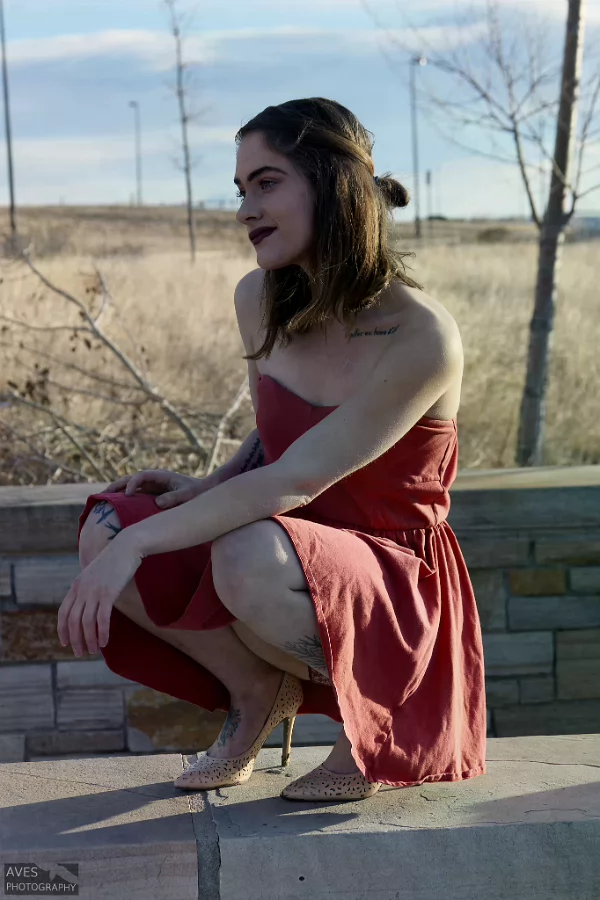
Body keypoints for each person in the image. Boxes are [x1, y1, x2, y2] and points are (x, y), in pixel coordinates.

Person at [60, 97, 487, 803]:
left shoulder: (421, 337)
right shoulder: (258, 298)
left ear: (331, 184)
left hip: (389, 576)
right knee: (106, 525)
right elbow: (275, 434)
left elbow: (296, 477)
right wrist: (208, 485)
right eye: (240, 190)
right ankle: (257, 693)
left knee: (234, 551)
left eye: (266, 183)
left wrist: (139, 547)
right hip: (283, 535)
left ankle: (374, 715)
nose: (244, 210)